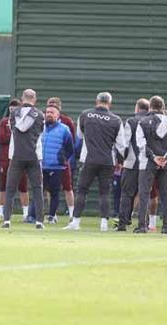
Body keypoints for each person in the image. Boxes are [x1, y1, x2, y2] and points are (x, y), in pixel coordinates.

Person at [65, 92, 127, 231]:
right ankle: (104, 224)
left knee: (82, 190)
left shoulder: (85, 115)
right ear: (109, 103)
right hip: (108, 161)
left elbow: (79, 136)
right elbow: (121, 145)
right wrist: (120, 161)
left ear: (96, 101)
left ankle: (76, 222)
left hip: (88, 159)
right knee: (105, 192)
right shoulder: (116, 120)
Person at [134, 96, 167, 234]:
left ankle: (142, 226)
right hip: (166, 164)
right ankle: (166, 227)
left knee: (144, 194)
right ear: (163, 107)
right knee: (166, 195)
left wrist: (153, 157)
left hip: (147, 163)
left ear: (150, 107)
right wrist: (166, 158)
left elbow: (141, 144)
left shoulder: (143, 122)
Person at [2, 89, 45, 230]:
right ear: (35, 99)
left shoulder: (14, 113)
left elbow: (13, 130)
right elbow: (41, 132)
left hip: (17, 155)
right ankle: (39, 222)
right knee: (37, 189)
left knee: (10, 189)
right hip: (34, 155)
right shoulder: (40, 115)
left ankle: (7, 220)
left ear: (22, 98)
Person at [115, 98, 149, 231]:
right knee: (144, 194)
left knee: (126, 194)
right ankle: (144, 224)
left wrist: (121, 160)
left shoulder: (131, 121)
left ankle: (122, 224)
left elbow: (125, 143)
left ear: (137, 108)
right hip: (147, 164)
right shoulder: (151, 121)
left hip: (131, 163)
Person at [40, 104, 74, 224]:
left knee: (54, 192)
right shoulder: (40, 127)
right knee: (39, 191)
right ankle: (36, 216)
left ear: (58, 115)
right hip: (41, 165)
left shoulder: (64, 129)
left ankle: (51, 216)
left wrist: (63, 160)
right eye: (47, 112)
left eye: (52, 112)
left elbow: (70, 148)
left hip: (56, 167)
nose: (49, 114)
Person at [0, 99, 28, 221]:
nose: (13, 110)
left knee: (23, 186)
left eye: (15, 108)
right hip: (5, 158)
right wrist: (13, 134)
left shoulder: (24, 121)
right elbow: (1, 138)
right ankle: (1, 212)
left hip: (20, 157)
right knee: (3, 185)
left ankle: (25, 214)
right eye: (11, 108)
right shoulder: (4, 122)